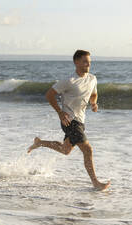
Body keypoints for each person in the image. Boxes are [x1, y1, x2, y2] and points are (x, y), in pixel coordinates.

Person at [27, 49, 111, 191]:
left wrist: (94, 103)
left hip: (81, 121)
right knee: (88, 150)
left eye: (89, 62)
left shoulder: (92, 79)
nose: (88, 65)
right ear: (76, 62)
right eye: (85, 62)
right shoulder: (69, 81)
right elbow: (49, 95)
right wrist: (60, 112)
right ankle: (95, 182)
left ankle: (40, 142)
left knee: (65, 150)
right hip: (69, 121)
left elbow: (94, 94)